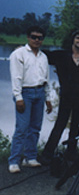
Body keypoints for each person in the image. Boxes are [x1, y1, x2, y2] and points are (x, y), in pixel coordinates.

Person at [38, 30, 79, 165]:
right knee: (60, 124)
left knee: (76, 126)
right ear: (73, 40)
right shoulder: (61, 55)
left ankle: (71, 153)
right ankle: (47, 154)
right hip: (66, 96)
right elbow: (42, 55)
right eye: (78, 38)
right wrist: (24, 50)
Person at [8, 26, 53, 173]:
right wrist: (18, 97)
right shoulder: (18, 54)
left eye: (40, 38)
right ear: (28, 37)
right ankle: (14, 161)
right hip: (25, 93)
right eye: (34, 37)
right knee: (22, 128)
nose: (37, 40)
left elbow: (46, 78)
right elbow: (16, 77)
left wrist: (48, 98)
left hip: (40, 92)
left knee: (35, 128)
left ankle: (30, 158)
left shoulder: (43, 57)